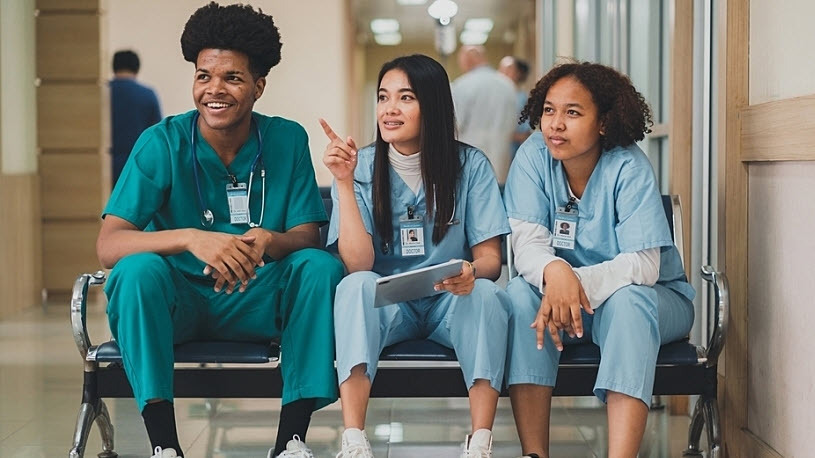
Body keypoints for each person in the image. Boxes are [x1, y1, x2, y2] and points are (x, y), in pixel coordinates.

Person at [95, 3, 343, 458]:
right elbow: (110, 244)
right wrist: (192, 237)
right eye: (203, 75)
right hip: (180, 303)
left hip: (257, 297)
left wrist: (272, 239)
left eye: (232, 77)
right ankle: (165, 447)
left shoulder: (287, 139)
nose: (215, 89)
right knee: (134, 273)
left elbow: (308, 235)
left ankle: (291, 442)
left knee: (318, 266)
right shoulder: (162, 142)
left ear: (258, 86)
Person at [321, 54, 511, 458]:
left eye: (405, 97)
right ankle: (354, 439)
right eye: (383, 97)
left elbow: (491, 259)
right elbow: (357, 264)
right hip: (390, 309)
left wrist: (470, 271)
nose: (390, 109)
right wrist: (342, 182)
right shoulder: (363, 166)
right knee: (354, 285)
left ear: (434, 104)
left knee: (488, 293)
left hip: (449, 303)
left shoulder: (469, 165)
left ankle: (479, 442)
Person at [502, 61, 695, 458]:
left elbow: (644, 265)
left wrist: (571, 283)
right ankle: (533, 453)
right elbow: (527, 243)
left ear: (604, 122)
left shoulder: (628, 166)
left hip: (652, 299)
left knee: (629, 301)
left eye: (572, 112)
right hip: (563, 304)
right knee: (520, 297)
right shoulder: (532, 157)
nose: (555, 124)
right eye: (549, 110)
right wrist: (555, 272)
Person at [451, 45, 517, 183]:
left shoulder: (462, 85)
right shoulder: (507, 85)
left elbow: (455, 125)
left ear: (468, 60)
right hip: (502, 162)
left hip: (470, 162)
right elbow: (513, 124)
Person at [110, 49, 162, 187]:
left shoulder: (102, 93)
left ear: (113, 67)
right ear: (137, 68)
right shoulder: (147, 94)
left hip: (105, 165)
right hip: (137, 166)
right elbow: (157, 134)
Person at [498, 56, 533, 158]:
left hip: (513, 153)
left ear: (519, 73)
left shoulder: (522, 99)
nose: (503, 73)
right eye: (501, 68)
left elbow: (524, 134)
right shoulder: (494, 98)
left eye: (508, 69)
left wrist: (503, 135)